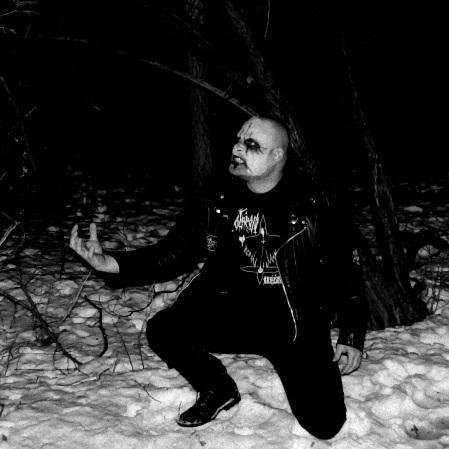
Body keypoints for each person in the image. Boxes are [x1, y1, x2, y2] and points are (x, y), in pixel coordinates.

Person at [70, 116, 367, 440]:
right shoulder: (218, 199)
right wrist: (110, 264)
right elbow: (174, 252)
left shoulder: (315, 204)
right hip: (231, 312)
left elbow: (346, 269)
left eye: (251, 145)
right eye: (238, 140)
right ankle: (217, 387)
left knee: (325, 425)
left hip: (292, 324)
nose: (238, 148)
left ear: (277, 155)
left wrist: (352, 332)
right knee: (164, 330)